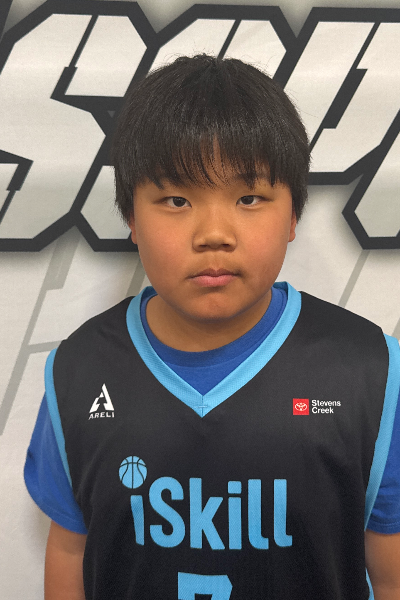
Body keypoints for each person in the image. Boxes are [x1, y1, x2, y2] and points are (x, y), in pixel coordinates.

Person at [24, 55, 400, 600]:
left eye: (249, 198)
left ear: (293, 214)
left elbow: (389, 574)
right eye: (176, 200)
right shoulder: (77, 372)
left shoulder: (371, 371)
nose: (214, 233)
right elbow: (70, 549)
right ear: (131, 217)